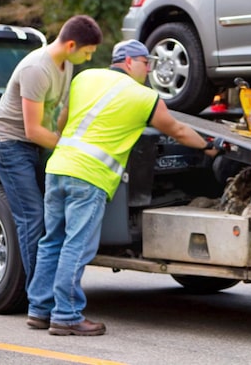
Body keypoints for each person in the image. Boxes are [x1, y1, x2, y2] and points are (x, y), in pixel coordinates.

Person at [27, 40, 221, 336]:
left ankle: (39, 310)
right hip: (89, 176)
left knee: (52, 240)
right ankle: (65, 315)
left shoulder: (84, 77)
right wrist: (208, 147)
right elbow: (178, 131)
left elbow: (63, 121)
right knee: (76, 245)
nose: (149, 70)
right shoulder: (144, 97)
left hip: (58, 168)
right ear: (129, 62)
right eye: (146, 62)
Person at [0, 15, 103, 292]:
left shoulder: (67, 64)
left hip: (34, 145)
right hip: (8, 143)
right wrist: (68, 146)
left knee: (52, 213)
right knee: (32, 215)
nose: (88, 58)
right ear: (71, 45)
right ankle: (39, 295)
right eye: (87, 52)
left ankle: (45, 289)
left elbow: (58, 112)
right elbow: (33, 130)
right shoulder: (36, 68)